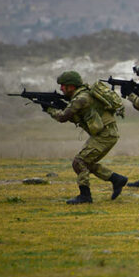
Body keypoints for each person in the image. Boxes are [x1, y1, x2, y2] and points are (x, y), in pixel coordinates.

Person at [46, 71, 128, 204]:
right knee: (86, 162)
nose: (61, 88)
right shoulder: (83, 94)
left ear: (71, 86)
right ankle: (117, 179)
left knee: (79, 162)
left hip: (105, 135)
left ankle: (85, 196)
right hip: (106, 134)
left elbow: (62, 117)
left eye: (63, 85)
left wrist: (49, 109)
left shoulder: (81, 98)